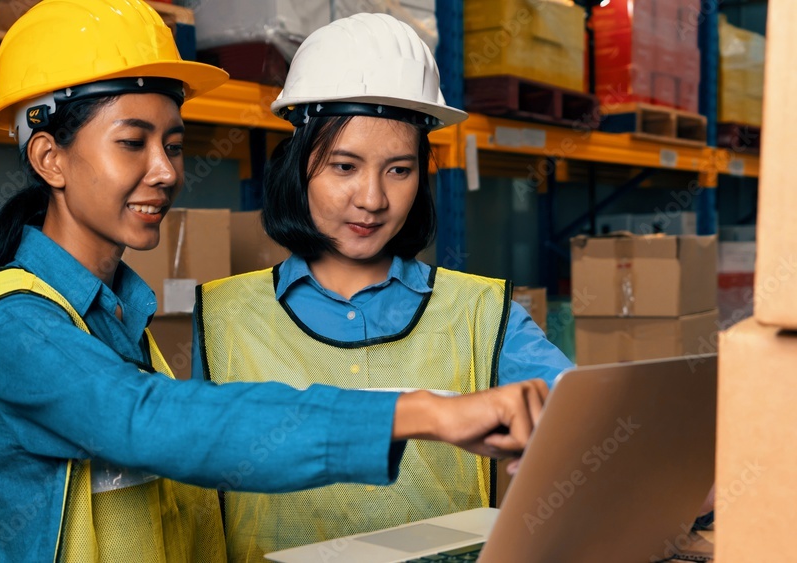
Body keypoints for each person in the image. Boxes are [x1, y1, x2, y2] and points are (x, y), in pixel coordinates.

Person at [0, 2, 548, 561]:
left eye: (174, 144)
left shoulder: (115, 316)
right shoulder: (15, 323)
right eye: (133, 142)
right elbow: (153, 423)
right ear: (50, 157)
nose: (165, 171)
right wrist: (421, 412)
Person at [192, 13, 574, 561]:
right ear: (298, 169)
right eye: (345, 166)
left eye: (399, 170)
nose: (372, 198)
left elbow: (592, 422)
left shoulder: (481, 314)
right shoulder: (222, 317)